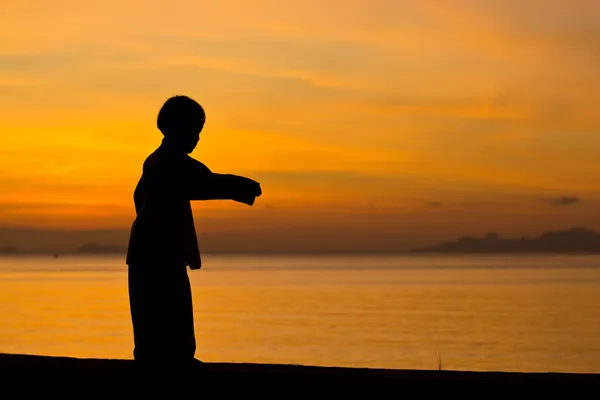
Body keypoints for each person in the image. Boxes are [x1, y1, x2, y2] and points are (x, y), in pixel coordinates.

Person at [126, 95, 262, 368]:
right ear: (174, 127)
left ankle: (164, 359)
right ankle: (168, 362)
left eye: (199, 131)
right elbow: (203, 182)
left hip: (153, 249)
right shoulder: (167, 162)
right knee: (165, 310)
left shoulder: (156, 161)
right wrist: (240, 188)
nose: (197, 137)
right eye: (194, 130)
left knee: (159, 313)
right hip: (157, 251)